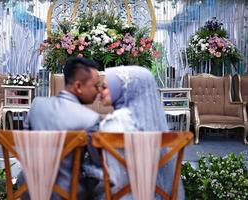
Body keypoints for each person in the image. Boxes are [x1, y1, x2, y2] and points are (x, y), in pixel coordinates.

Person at [19, 57, 102, 200]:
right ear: (78, 86)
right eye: (96, 86)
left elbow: (23, 146)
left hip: (28, 189)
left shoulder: (37, 105)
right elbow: (99, 162)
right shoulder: (90, 119)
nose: (99, 91)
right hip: (66, 193)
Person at [97, 65, 184, 200]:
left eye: (104, 87)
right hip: (159, 195)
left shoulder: (114, 123)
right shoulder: (153, 123)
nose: (100, 91)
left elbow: (115, 175)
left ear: (123, 89)